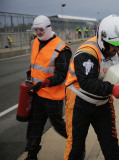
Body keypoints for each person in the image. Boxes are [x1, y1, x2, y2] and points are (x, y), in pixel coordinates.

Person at [64, 14, 119, 160]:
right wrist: (112, 89)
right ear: (104, 41)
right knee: (76, 146)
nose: (118, 51)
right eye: (115, 48)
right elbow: (87, 82)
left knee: (111, 145)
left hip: (102, 102)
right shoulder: (87, 53)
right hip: (79, 101)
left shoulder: (118, 49)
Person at [24, 15, 72, 160]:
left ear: (48, 28)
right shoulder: (35, 43)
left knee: (58, 125)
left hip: (53, 97)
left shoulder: (61, 48)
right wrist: (30, 74)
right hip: (38, 94)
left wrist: (44, 83)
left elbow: (61, 75)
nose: (38, 32)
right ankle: (32, 155)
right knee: (34, 126)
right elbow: (35, 63)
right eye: (36, 29)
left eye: (41, 29)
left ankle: (77, 145)